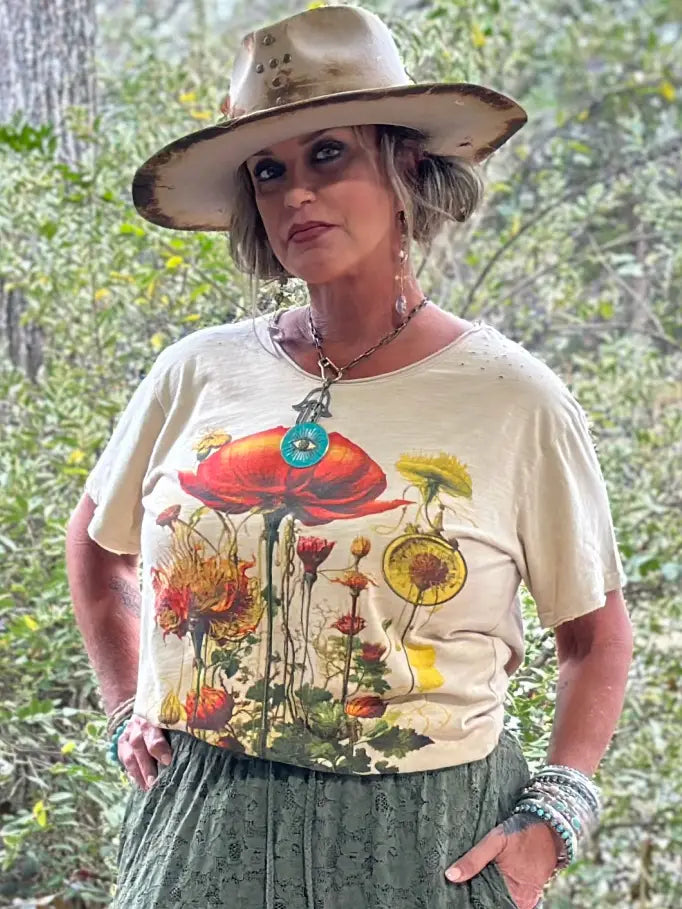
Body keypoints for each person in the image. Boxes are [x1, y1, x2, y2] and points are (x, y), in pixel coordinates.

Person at [65, 6, 633, 909]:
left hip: (424, 838)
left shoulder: (512, 398)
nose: (296, 194)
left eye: (328, 154)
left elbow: (595, 638)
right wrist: (125, 704)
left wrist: (554, 816)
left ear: (405, 163)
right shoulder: (197, 370)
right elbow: (97, 545)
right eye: (268, 170)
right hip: (200, 831)